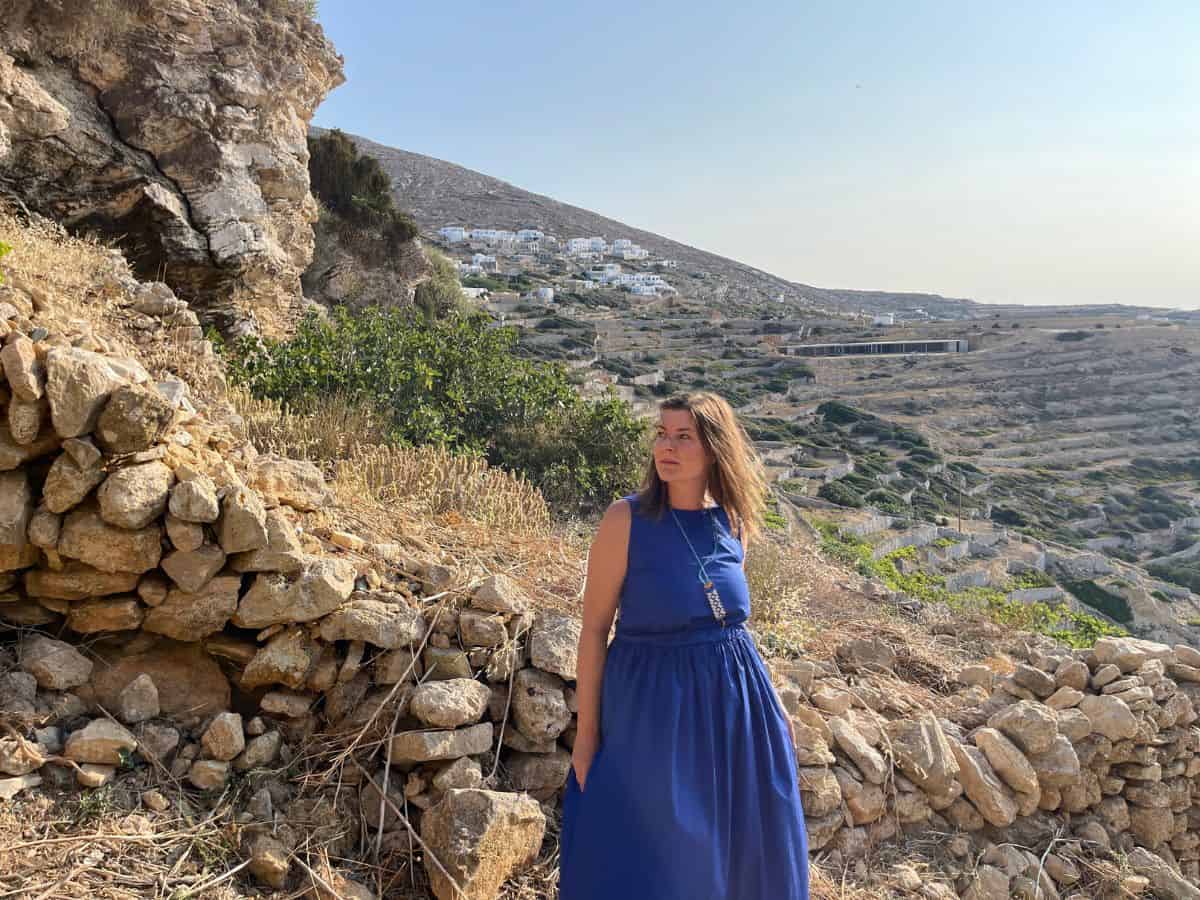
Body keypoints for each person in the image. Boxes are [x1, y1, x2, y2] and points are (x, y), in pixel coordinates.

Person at [559, 390, 810, 899]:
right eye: (661, 434)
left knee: (742, 851)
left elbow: (730, 624)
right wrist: (587, 736)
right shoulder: (624, 521)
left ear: (714, 450)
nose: (665, 447)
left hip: (736, 710)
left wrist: (775, 710)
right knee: (667, 858)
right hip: (654, 709)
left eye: (683, 436)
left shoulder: (732, 522)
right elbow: (593, 630)